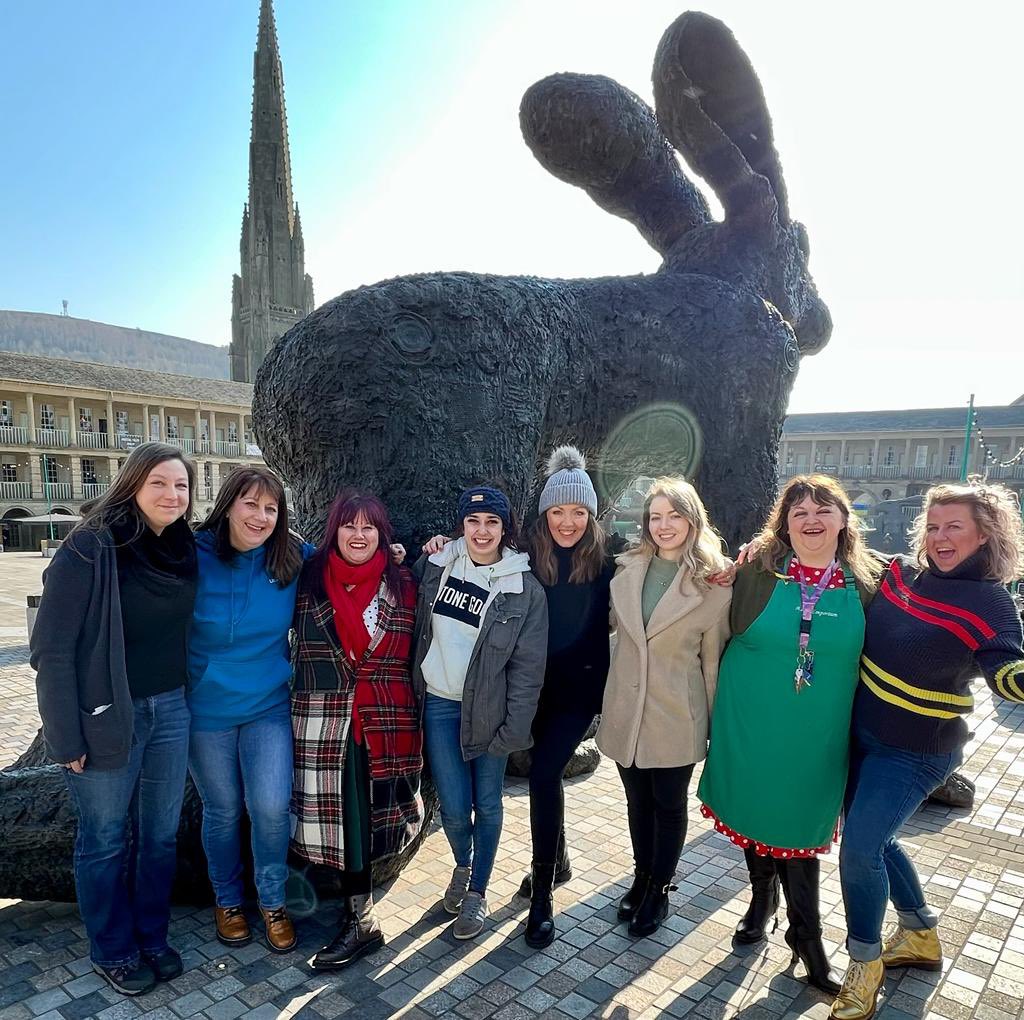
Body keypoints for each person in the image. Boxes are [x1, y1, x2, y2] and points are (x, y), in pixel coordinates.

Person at [830, 482, 1024, 1020]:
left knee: (860, 850)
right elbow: (828, 559)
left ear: (984, 535)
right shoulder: (898, 574)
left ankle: (864, 964)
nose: (941, 537)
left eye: (955, 526)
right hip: (860, 738)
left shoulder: (990, 602)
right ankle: (919, 933)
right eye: (933, 526)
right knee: (875, 840)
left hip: (915, 752)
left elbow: (1006, 669)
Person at [698, 475, 880, 995]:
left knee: (798, 829)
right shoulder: (757, 571)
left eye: (823, 510)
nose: (811, 520)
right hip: (750, 719)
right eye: (799, 512)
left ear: (844, 520)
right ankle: (764, 902)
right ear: (785, 524)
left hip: (817, 735)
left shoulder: (871, 582)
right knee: (753, 811)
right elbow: (705, 600)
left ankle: (806, 935)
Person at [30, 443, 198, 997]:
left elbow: (261, 543)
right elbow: (51, 650)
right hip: (105, 716)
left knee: (159, 836)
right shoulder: (91, 547)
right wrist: (64, 737)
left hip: (171, 709)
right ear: (132, 484)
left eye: (181, 485)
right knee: (104, 838)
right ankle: (112, 949)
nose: (172, 495)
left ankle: (151, 934)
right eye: (159, 483)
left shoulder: (184, 546)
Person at [291, 490, 424, 970]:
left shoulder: (404, 584)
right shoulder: (308, 577)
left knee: (369, 818)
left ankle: (361, 919)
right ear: (335, 530)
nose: (359, 535)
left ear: (382, 535)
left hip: (385, 720)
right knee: (339, 816)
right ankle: (354, 917)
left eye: (369, 526)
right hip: (322, 720)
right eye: (349, 525)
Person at [597, 477, 732, 938]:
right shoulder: (626, 570)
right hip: (626, 710)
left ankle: (660, 889)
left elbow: (712, 662)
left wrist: (714, 728)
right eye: (655, 516)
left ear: (692, 520)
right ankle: (641, 876)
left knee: (669, 805)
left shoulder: (714, 584)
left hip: (677, 714)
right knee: (637, 802)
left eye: (674, 515)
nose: (664, 525)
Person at [413, 485, 548, 940]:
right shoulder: (438, 565)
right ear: (462, 526)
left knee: (487, 803)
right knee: (453, 807)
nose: (482, 531)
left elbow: (528, 669)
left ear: (505, 528)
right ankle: (463, 865)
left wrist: (515, 728)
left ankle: (477, 892)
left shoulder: (522, 588)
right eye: (473, 521)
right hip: (439, 703)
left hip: (491, 712)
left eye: (492, 522)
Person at [187, 466, 310, 954]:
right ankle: (228, 901)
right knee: (221, 810)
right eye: (251, 504)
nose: (261, 516)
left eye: (271, 508)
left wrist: (405, 553)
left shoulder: (291, 556)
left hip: (267, 707)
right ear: (227, 506)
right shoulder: (192, 553)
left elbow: (350, 557)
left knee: (271, 808)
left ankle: (273, 901)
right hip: (205, 711)